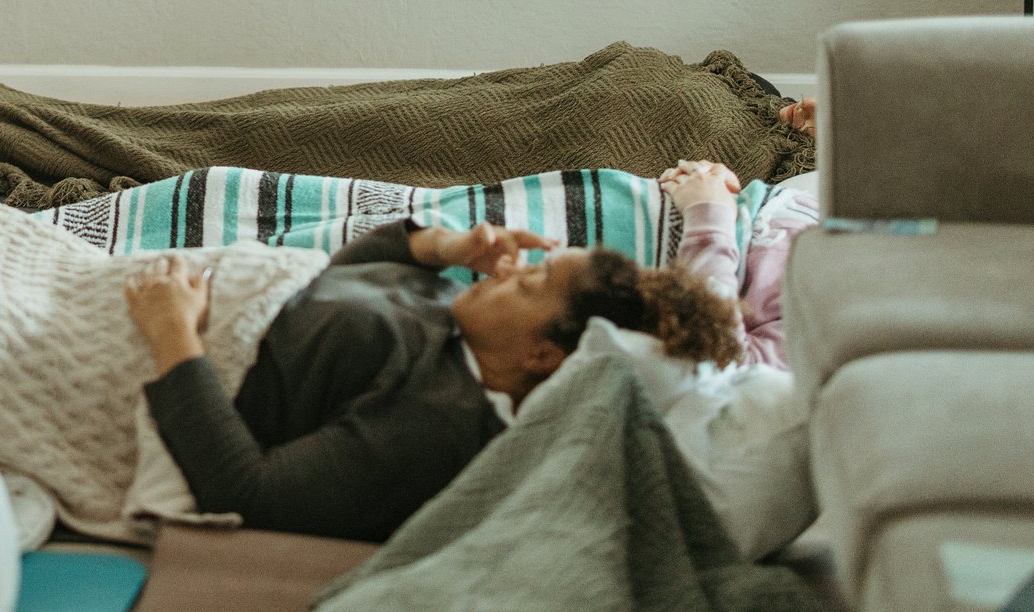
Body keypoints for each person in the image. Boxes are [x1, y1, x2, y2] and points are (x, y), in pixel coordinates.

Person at [123, 218, 741, 543]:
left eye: (531, 283)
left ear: (544, 354)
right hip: (174, 289)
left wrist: (172, 332)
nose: (508, 272)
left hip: (149, 340)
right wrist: (445, 246)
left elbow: (247, 493)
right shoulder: (457, 316)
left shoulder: (434, 423)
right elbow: (337, 276)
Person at [657, 156, 821, 370]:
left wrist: (708, 216)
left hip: (646, 276)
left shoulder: (831, 333)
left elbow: (729, 365)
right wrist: (722, 187)